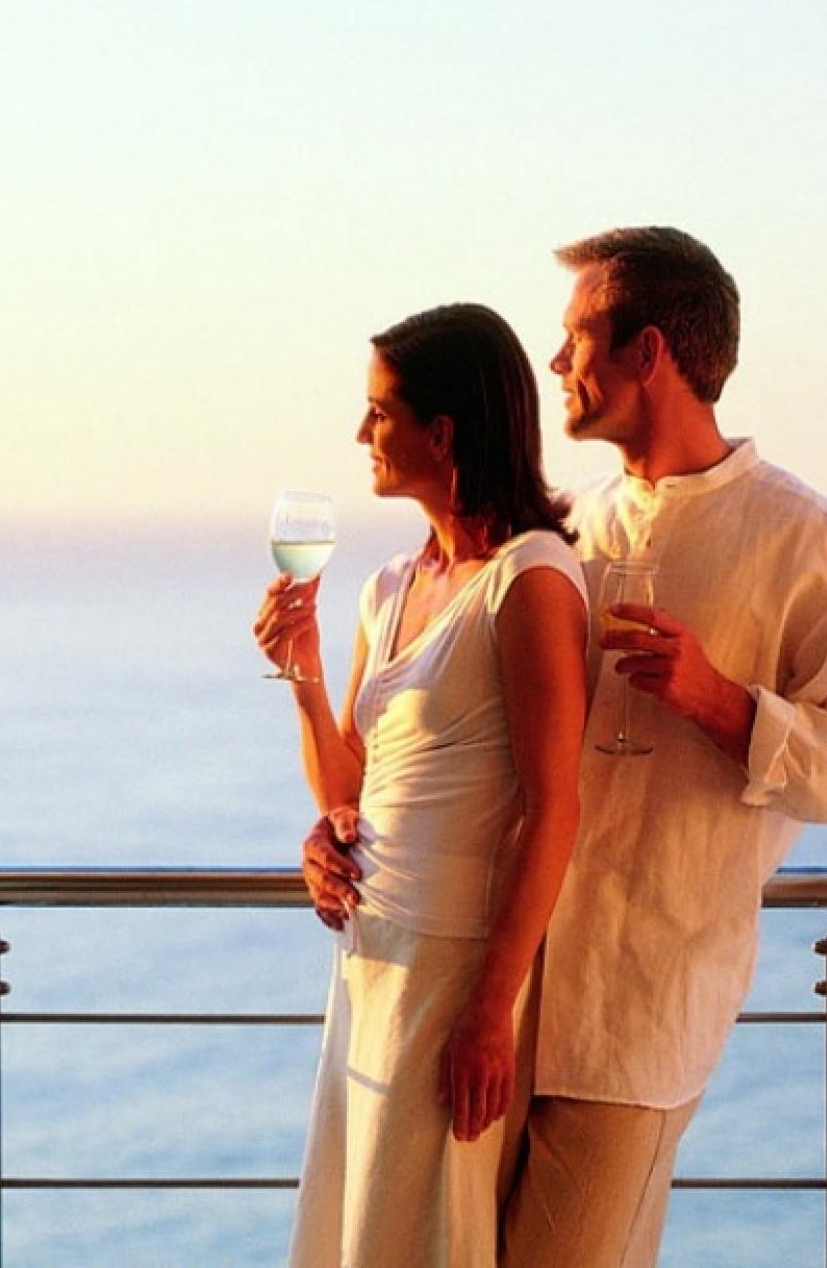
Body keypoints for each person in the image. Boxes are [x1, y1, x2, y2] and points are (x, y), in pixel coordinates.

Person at [305, 229, 827, 1266]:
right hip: (496, 989)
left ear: (647, 352)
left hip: (633, 1009)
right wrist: (341, 832)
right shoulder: (565, 532)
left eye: (577, 337)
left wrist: (721, 703)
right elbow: (451, 749)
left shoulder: (799, 536)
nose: (556, 362)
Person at [256, 303, 590, 1268]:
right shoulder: (389, 586)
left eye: (379, 411)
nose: (361, 432)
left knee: (426, 1227)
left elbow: (554, 807)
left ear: (442, 433)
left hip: (452, 966)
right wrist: (304, 673)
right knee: (361, 1218)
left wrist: (492, 1007)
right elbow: (351, 784)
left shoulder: (528, 581)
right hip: (370, 954)